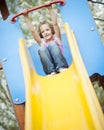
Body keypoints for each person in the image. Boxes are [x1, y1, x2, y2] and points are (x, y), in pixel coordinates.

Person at [23, 5, 68, 76]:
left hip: (62, 66)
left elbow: (55, 24)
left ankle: (61, 67)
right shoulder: (42, 43)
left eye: (47, 30)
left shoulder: (57, 39)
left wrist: (50, 9)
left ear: (51, 30)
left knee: (52, 44)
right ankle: (51, 72)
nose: (45, 32)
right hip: (50, 70)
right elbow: (33, 31)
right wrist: (26, 17)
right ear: (41, 34)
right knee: (42, 48)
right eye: (43, 32)